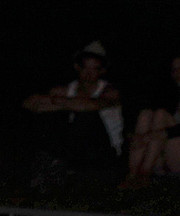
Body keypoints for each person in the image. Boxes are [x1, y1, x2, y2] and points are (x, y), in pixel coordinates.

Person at [21, 41, 121, 189]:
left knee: (85, 115)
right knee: (47, 118)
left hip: (103, 150)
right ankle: (47, 164)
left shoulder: (109, 91)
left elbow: (90, 105)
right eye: (85, 68)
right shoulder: (67, 89)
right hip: (74, 144)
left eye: (94, 69)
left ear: (102, 71)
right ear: (77, 67)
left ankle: (64, 167)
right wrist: (57, 104)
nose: (88, 74)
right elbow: (30, 103)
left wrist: (53, 103)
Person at [120, 56, 180, 189]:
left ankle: (144, 173)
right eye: (174, 70)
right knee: (145, 114)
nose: (177, 73)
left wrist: (160, 133)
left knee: (160, 115)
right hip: (165, 155)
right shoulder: (174, 95)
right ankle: (133, 173)